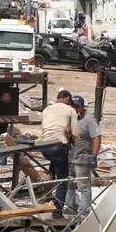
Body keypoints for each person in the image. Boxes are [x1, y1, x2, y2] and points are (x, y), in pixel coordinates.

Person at [39, 89, 78, 218]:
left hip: (44, 147)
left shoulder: (46, 110)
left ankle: (46, 192)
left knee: (54, 169)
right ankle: (57, 212)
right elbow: (75, 133)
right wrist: (73, 141)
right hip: (58, 146)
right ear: (67, 99)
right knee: (63, 181)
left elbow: (44, 129)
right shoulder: (70, 110)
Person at [66, 95, 102, 215]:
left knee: (84, 186)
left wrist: (94, 154)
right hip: (70, 158)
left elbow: (97, 136)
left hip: (82, 159)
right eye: (72, 106)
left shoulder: (89, 120)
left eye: (77, 107)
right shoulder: (71, 119)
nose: (75, 109)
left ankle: (84, 211)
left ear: (82, 107)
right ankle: (71, 208)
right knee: (68, 184)